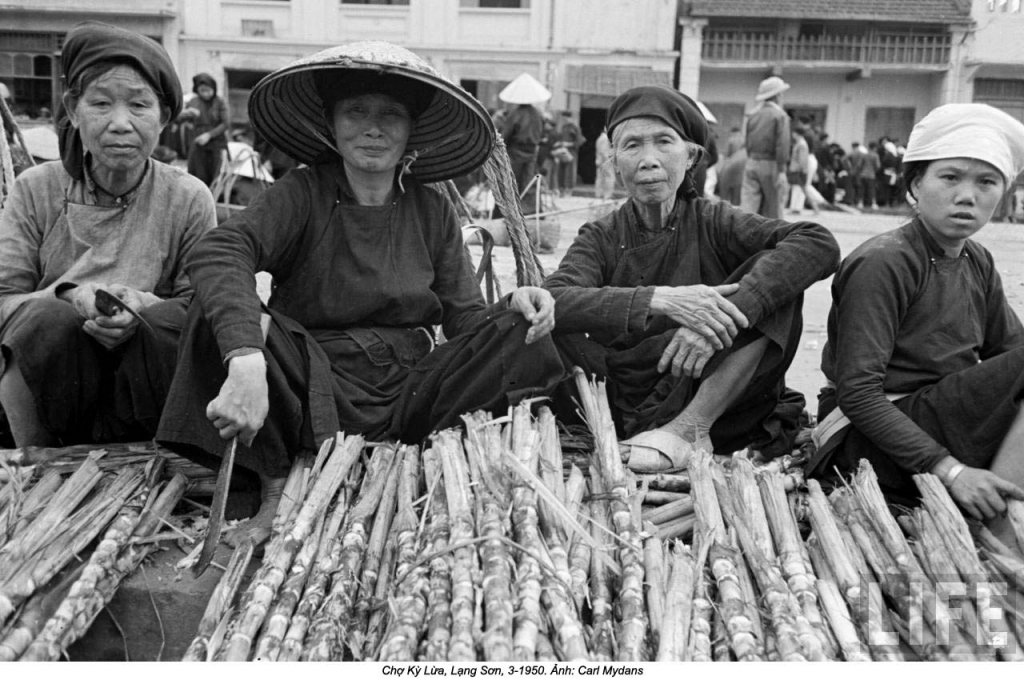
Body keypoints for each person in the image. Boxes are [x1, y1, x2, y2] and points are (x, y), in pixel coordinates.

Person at [157, 41, 562, 544]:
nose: (373, 128)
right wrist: (245, 358)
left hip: (412, 390)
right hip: (310, 383)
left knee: (523, 330)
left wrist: (514, 307)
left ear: (412, 130)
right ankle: (276, 482)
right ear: (331, 125)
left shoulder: (430, 209)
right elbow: (221, 252)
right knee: (212, 313)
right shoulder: (302, 192)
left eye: (391, 115)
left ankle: (451, 467)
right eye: (356, 112)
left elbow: (465, 320)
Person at [544, 85, 839, 471]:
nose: (648, 160)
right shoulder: (601, 236)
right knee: (539, 320)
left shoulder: (714, 220)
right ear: (613, 162)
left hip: (714, 398)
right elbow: (555, 297)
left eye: (664, 142)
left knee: (776, 278)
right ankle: (665, 429)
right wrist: (663, 300)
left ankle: (689, 428)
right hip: (629, 403)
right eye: (632, 146)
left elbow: (818, 243)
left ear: (692, 156)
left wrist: (715, 319)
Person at [810, 103, 1024, 543]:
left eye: (986, 182)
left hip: (934, 417)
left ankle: (1002, 501)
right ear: (914, 186)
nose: (968, 195)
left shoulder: (975, 259)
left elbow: (1009, 351)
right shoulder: (885, 261)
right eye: (950, 178)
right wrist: (952, 470)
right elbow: (858, 394)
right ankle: (1001, 527)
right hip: (867, 441)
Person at [0, 21, 215, 447]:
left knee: (169, 322)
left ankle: (159, 460)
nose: (120, 123)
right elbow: (3, 298)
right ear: (73, 110)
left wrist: (142, 307)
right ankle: (36, 466)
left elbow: (204, 303)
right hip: (47, 388)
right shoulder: (36, 188)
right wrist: (69, 297)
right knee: (46, 319)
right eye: (100, 103)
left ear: (165, 116)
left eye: (139, 106)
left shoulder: (189, 196)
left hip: (143, 391)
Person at [740, 76, 791, 219]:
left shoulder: (752, 114)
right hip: (771, 164)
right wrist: (782, 171)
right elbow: (782, 145)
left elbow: (747, 141)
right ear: (778, 95)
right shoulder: (780, 116)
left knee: (749, 208)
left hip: (751, 162)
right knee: (774, 207)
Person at [185, 73, 230, 187]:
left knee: (216, 176)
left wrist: (209, 135)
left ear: (213, 88)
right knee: (198, 177)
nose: (205, 94)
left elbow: (226, 123)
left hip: (216, 144)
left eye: (208, 90)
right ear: (197, 90)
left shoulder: (219, 102)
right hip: (198, 144)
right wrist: (187, 115)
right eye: (202, 90)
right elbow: (180, 120)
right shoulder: (193, 102)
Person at [502, 102, 544, 214]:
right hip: (532, 150)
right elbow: (542, 133)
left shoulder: (515, 113)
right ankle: (532, 209)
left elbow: (506, 134)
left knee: (511, 182)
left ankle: (509, 212)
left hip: (516, 150)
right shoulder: (537, 113)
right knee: (529, 181)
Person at [553, 110, 583, 196]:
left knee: (569, 172)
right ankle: (561, 189)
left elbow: (579, 141)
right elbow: (560, 138)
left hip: (571, 152)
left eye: (565, 118)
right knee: (561, 171)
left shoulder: (575, 128)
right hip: (562, 151)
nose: (564, 120)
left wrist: (569, 144)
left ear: (569, 118)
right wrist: (559, 143)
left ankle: (568, 190)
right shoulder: (563, 127)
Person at [594, 128, 615, 200]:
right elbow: (603, 152)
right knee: (608, 178)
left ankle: (600, 194)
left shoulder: (600, 138)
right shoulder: (605, 138)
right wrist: (608, 161)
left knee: (601, 178)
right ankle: (607, 195)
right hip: (605, 161)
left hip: (601, 161)